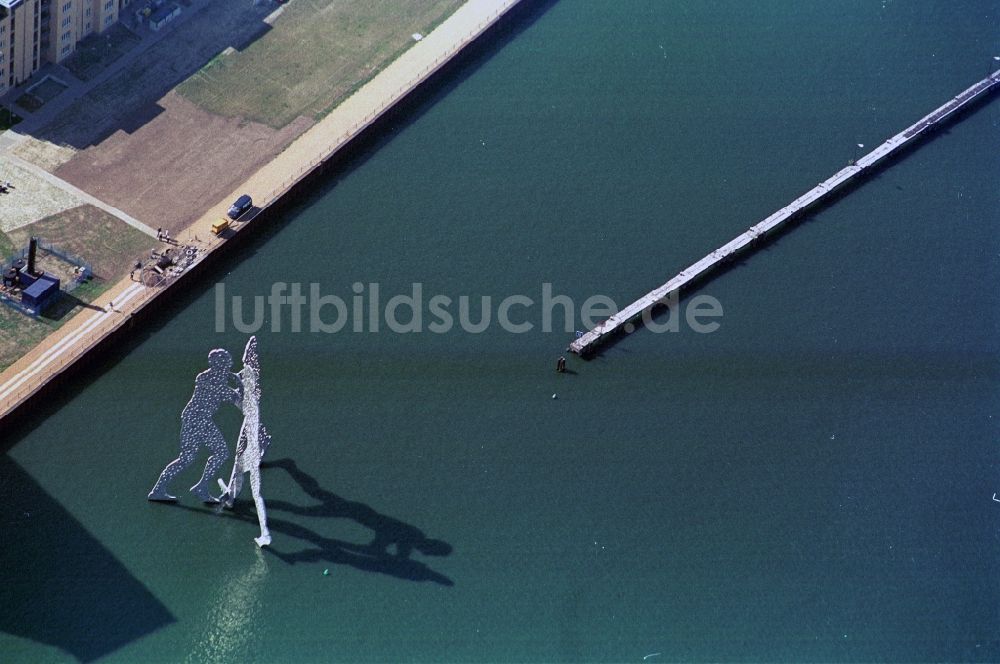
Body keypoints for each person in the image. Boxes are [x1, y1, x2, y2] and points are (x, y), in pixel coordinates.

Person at [148, 348, 242, 503]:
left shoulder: (220, 376)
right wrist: (240, 386)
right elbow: (227, 394)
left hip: (202, 419)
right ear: (218, 364)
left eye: (228, 362)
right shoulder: (204, 378)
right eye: (225, 362)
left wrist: (238, 384)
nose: (229, 365)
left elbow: (230, 393)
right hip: (195, 419)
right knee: (190, 458)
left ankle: (200, 487)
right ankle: (162, 490)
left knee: (217, 453)